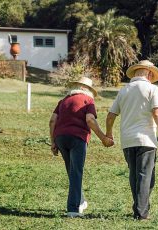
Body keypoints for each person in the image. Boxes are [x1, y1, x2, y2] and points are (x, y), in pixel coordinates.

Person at [105, 60, 158, 220]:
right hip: (146, 140)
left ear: (136, 73)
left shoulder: (123, 90)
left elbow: (111, 116)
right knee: (146, 177)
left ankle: (139, 208)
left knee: (135, 175)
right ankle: (141, 213)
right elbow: (157, 114)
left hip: (127, 140)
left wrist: (109, 134)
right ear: (150, 74)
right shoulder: (152, 89)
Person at [49, 76, 114, 218]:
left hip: (60, 138)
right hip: (77, 138)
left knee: (72, 171)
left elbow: (52, 120)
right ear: (88, 89)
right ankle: (73, 209)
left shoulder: (63, 101)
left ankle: (81, 200)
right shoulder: (88, 100)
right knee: (76, 172)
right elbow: (90, 119)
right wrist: (103, 137)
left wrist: (53, 142)